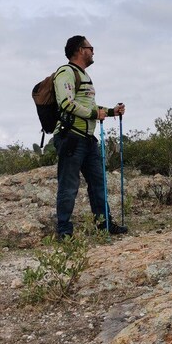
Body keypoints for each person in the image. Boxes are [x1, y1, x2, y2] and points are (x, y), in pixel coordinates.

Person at [52, 35, 128, 238]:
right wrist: (95, 114)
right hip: (71, 138)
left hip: (87, 139)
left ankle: (104, 224)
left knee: (98, 182)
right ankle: (64, 231)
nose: (93, 51)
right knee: (69, 186)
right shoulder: (65, 73)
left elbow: (90, 107)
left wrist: (111, 111)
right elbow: (66, 104)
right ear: (79, 50)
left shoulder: (84, 75)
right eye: (90, 47)